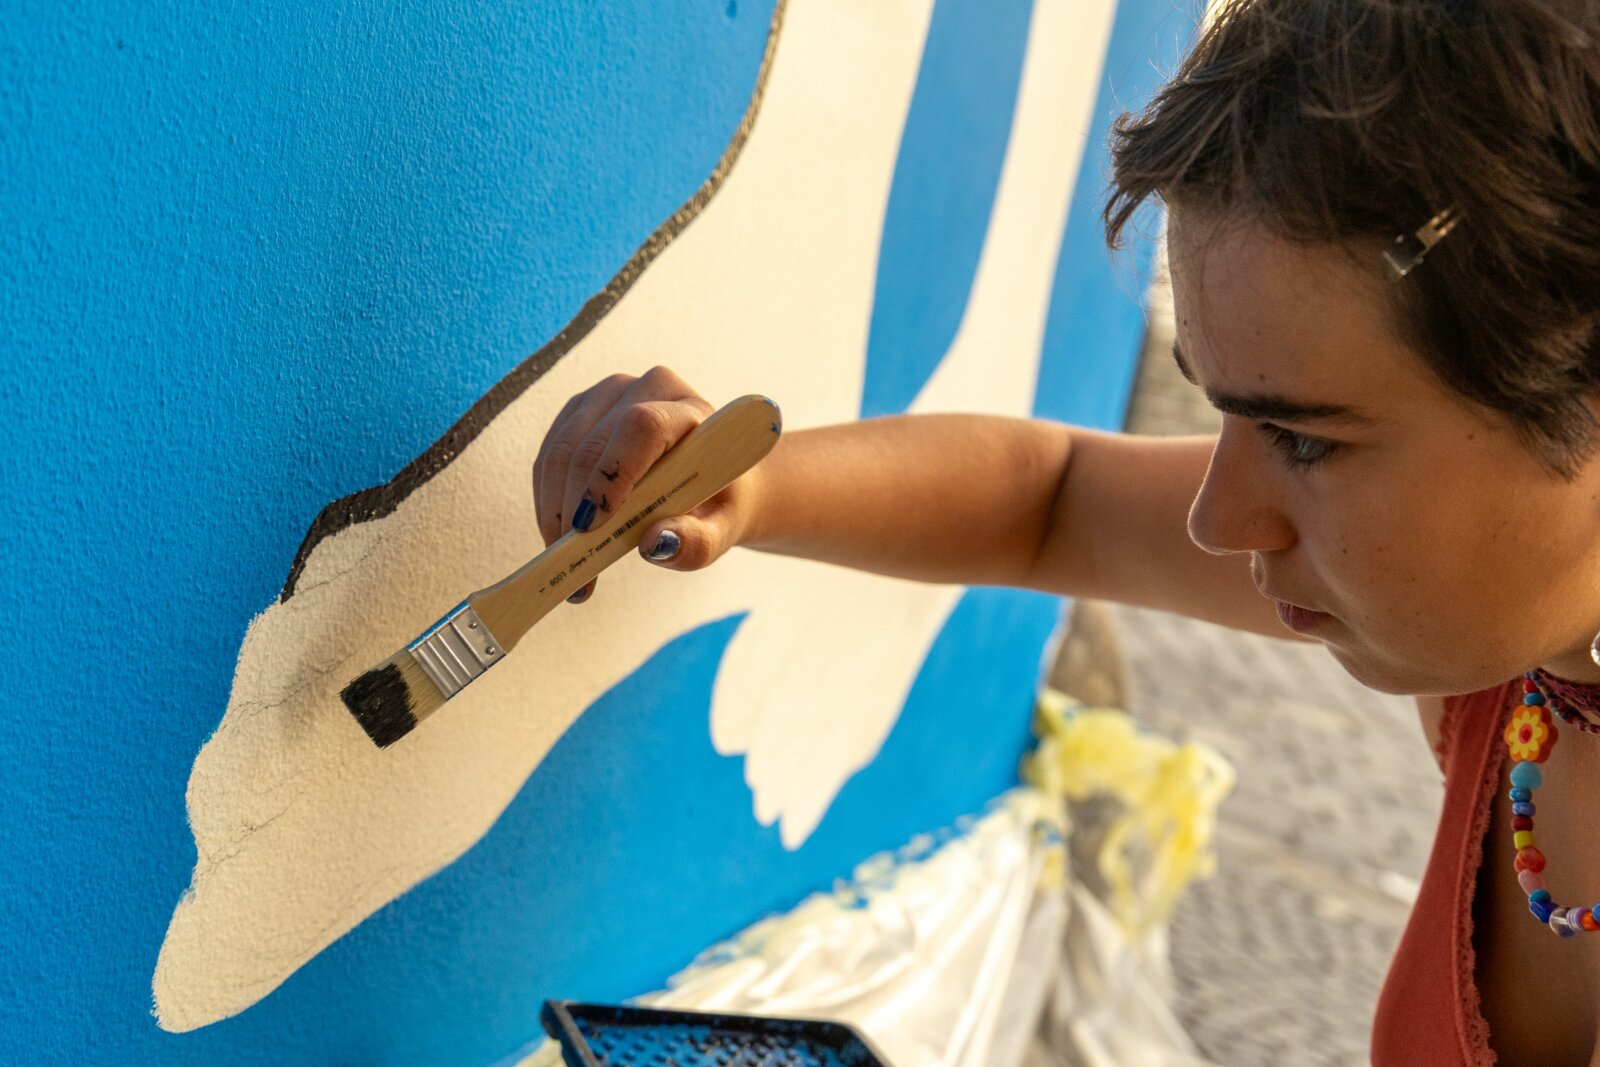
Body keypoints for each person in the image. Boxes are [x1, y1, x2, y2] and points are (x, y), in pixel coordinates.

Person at [532, 0, 1600, 1062]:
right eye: (1221, 413)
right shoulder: (1515, 676)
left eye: (1303, 439)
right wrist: (741, 484)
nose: (1216, 518)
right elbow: (1056, 500)